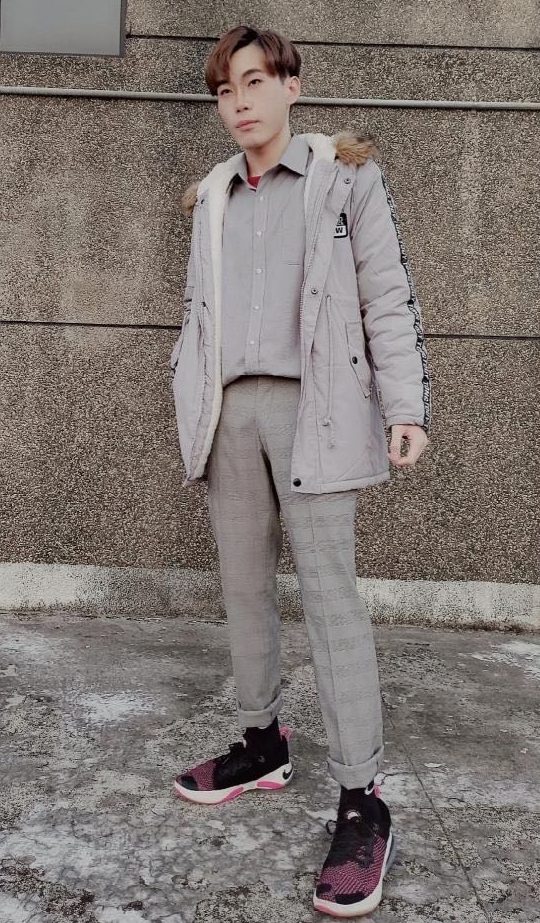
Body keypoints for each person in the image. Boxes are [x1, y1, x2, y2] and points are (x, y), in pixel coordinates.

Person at [169, 24, 432, 918]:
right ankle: (262, 742)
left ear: (290, 84)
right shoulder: (213, 196)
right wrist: (188, 387)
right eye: (223, 90)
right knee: (244, 588)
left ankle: (363, 797)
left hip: (315, 409)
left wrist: (405, 406)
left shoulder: (344, 178)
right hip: (229, 414)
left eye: (253, 81)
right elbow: (199, 310)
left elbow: (386, 293)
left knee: (330, 599)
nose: (238, 102)